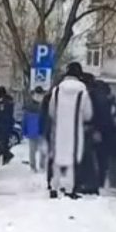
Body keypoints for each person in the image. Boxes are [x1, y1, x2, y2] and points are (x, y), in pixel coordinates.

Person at [47, 62, 93, 198]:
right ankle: (69, 189)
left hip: (58, 129)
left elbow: (51, 111)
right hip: (75, 131)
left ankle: (54, 187)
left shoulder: (57, 90)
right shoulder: (82, 91)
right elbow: (88, 114)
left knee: (57, 158)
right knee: (72, 160)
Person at [23, 87, 47, 172]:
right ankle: (38, 166)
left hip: (37, 131)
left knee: (36, 150)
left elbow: (25, 120)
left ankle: (36, 167)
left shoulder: (30, 106)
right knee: (37, 150)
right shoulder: (44, 106)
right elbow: (25, 119)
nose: (38, 96)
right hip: (38, 131)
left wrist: (25, 131)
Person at [0, 86, 16, 164]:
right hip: (8, 123)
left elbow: (2, 112)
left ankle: (7, 155)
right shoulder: (9, 99)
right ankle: (5, 156)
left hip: (3, 123)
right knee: (4, 141)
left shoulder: (2, 100)